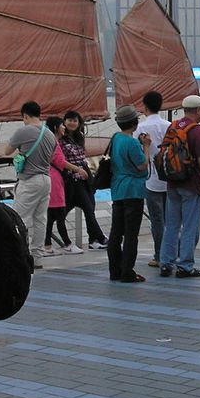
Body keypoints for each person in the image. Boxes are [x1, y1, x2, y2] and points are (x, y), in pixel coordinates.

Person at [159, 94, 200, 279]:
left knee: (171, 226)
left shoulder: (174, 125)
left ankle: (166, 263)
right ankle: (185, 266)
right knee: (190, 226)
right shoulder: (198, 131)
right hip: (191, 184)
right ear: (199, 110)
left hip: (172, 182)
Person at [4, 101, 56, 268]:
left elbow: (7, 151)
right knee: (40, 219)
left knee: (19, 218)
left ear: (25, 115)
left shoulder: (24, 131)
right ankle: (37, 258)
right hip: (46, 179)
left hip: (29, 180)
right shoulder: (50, 134)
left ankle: (18, 255)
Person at [107, 105, 153, 282]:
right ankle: (127, 271)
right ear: (134, 122)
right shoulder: (132, 142)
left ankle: (114, 270)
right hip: (133, 190)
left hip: (117, 188)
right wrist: (146, 146)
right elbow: (142, 165)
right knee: (131, 234)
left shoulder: (116, 138)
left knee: (116, 232)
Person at [61, 110, 108, 250]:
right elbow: (60, 160)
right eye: (69, 120)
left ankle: (93, 240)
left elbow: (82, 158)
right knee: (87, 208)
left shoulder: (80, 137)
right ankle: (99, 237)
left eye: (75, 120)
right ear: (64, 122)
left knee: (90, 207)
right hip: (73, 178)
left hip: (85, 177)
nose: (72, 123)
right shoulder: (60, 139)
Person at [41, 116, 88, 256]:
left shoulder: (48, 141)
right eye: (62, 125)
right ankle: (67, 244)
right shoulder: (54, 142)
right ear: (56, 128)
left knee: (50, 215)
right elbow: (61, 162)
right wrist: (78, 169)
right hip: (55, 179)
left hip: (51, 177)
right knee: (60, 213)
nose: (64, 127)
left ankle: (47, 245)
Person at [136, 91, 170, 267]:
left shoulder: (140, 128)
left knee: (157, 220)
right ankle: (172, 254)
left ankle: (159, 255)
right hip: (171, 178)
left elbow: (137, 155)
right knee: (171, 219)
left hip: (151, 180)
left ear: (145, 107)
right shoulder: (169, 125)